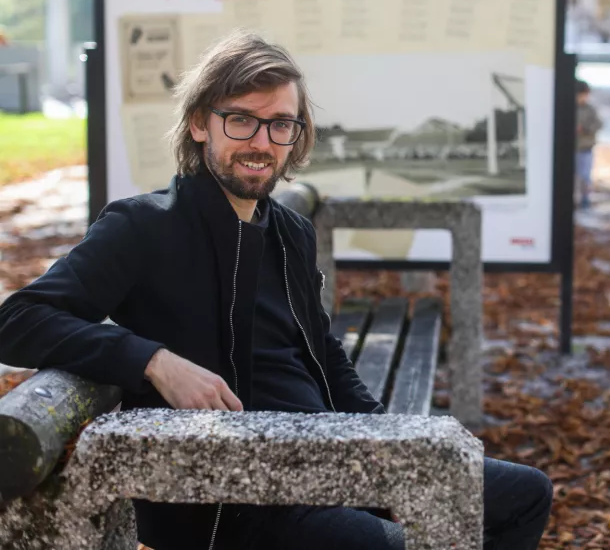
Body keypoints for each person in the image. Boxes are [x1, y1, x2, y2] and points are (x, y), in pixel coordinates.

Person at [0, 31, 553, 550]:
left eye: (280, 124)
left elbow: (322, 351)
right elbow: (18, 320)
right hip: (235, 492)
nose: (262, 143)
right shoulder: (142, 227)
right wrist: (154, 361)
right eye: (242, 120)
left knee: (526, 494)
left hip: (330, 454)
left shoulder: (290, 230)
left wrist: (392, 434)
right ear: (199, 124)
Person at [575, 79, 602, 209]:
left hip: (585, 148)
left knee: (585, 176)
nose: (583, 98)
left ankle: (585, 200)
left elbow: (598, 124)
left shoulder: (590, 109)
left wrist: (585, 129)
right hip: (572, 148)